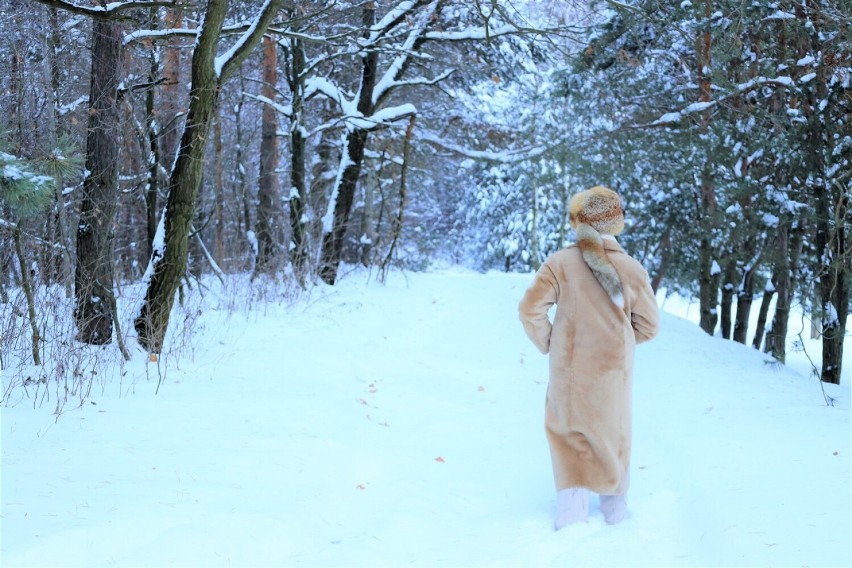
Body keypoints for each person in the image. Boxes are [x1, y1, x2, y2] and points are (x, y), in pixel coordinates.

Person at [518, 185, 659, 529]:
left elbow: (529, 310)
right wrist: (620, 345)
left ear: (578, 220)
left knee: (569, 436)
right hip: (613, 375)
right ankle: (616, 518)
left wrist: (552, 343)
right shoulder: (632, 269)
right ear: (613, 222)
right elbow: (650, 326)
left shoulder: (559, 263)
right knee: (614, 435)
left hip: (569, 372)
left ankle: (570, 519)